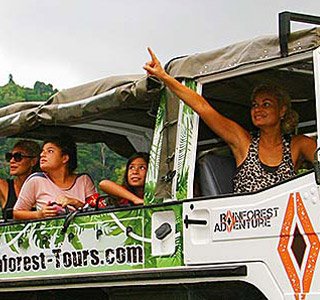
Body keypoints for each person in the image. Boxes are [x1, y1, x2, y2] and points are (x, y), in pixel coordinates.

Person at [144, 48, 317, 193]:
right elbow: (203, 108)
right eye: (254, 105)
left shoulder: (299, 144)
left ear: (282, 110)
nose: (258, 109)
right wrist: (165, 77)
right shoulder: (243, 141)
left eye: (266, 104)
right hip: (246, 225)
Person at [13, 135, 96, 220]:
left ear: (65, 158)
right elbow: (17, 213)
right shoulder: (36, 180)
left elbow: (96, 211)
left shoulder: (83, 180)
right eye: (42, 151)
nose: (42, 155)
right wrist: (39, 214)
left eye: (50, 151)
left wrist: (76, 203)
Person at [0, 140, 40, 220]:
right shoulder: (4, 186)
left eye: (18, 157)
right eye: (9, 157)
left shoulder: (45, 186)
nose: (12, 161)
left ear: (33, 161)